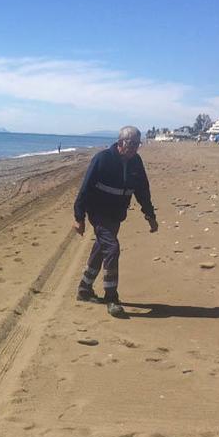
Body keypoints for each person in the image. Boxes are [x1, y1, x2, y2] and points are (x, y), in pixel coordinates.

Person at [73, 126, 158, 317]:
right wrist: (79, 217)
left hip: (116, 214)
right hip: (98, 211)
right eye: (131, 143)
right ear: (120, 142)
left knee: (101, 248)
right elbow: (85, 188)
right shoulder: (102, 159)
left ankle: (84, 289)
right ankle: (111, 297)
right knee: (112, 248)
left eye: (137, 144)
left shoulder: (136, 162)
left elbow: (142, 191)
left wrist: (150, 216)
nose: (134, 147)